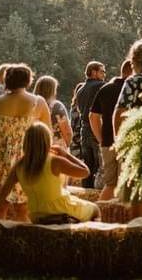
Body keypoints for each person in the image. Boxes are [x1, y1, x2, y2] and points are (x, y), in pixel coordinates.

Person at [0, 123, 99, 229]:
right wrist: (65, 154)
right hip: (62, 210)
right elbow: (85, 171)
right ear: (47, 141)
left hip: (37, 215)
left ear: (26, 142)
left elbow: (0, 196)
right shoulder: (55, 161)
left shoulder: (20, 165)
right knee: (95, 209)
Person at [0, 64, 51, 220]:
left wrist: (2, 138)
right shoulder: (38, 102)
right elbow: (47, 132)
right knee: (23, 208)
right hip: (26, 156)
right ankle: (20, 242)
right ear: (28, 80)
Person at [89, 60, 132, 201]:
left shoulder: (106, 89)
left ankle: (99, 216)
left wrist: (101, 139)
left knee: (110, 184)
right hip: (127, 142)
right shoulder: (133, 89)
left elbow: (93, 117)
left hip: (107, 141)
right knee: (124, 184)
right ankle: (122, 217)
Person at [74, 61, 107, 189]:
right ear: (93, 72)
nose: (104, 74)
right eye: (102, 71)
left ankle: (86, 192)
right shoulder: (101, 86)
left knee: (87, 167)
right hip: (97, 128)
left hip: (84, 130)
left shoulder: (80, 90)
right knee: (100, 166)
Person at [34, 76, 72, 148]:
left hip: (36, 146)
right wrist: (67, 145)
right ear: (52, 90)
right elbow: (67, 132)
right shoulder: (57, 106)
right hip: (55, 147)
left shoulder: (32, 105)